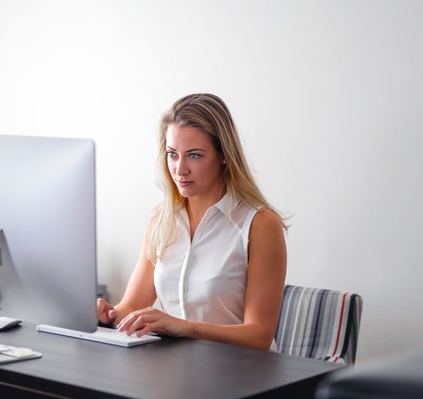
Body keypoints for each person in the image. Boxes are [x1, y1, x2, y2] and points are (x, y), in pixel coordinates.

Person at [98, 93, 287, 351]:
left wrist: (184, 327)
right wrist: (107, 315)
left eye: (194, 155)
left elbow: (259, 336)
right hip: (179, 373)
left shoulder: (261, 224)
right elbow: (130, 306)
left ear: (223, 155)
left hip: (245, 374)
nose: (180, 168)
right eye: (172, 154)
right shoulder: (161, 221)